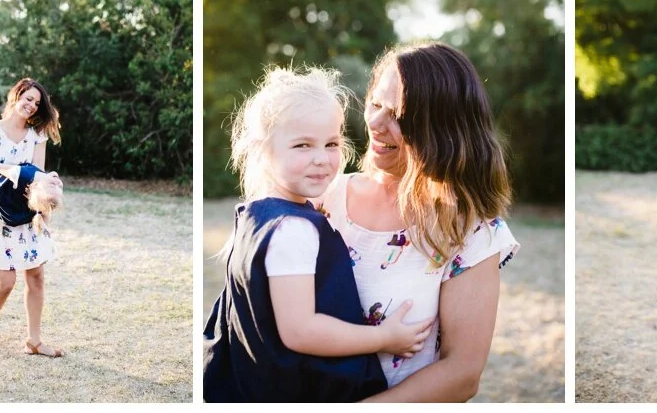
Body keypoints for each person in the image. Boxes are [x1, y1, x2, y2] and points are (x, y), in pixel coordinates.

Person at [202, 66, 432, 402]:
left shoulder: (255, 214)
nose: (322, 159)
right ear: (264, 150)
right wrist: (384, 337)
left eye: (331, 143)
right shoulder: (293, 230)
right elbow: (300, 331)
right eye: (302, 145)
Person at [316, 42, 519, 401]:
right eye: (375, 103)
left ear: (441, 129)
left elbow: (463, 373)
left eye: (398, 115)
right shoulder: (321, 199)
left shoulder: (471, 231)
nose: (376, 123)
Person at [0, 78, 64, 358]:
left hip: (26, 211)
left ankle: (34, 340)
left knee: (36, 276)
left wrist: (43, 210)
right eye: (28, 98)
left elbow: (37, 175)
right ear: (16, 96)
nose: (32, 105)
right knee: (6, 282)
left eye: (37, 103)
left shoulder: (37, 136)